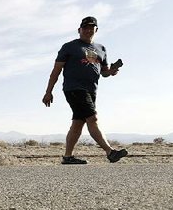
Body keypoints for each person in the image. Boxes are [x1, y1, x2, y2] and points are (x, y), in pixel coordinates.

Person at [42, 16, 128, 164]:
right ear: (79, 30)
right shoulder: (69, 47)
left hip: (91, 90)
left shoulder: (101, 49)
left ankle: (67, 157)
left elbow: (104, 72)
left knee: (78, 123)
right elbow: (56, 70)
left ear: (96, 30)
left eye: (91, 28)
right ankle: (110, 152)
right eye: (85, 27)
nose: (88, 30)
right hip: (74, 88)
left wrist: (112, 71)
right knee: (92, 118)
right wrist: (48, 91)